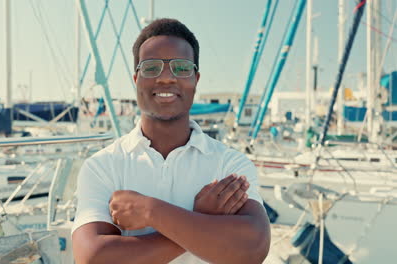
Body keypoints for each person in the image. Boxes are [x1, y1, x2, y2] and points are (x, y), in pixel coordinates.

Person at [72, 18, 270, 264]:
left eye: (181, 67)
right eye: (152, 68)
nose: (166, 78)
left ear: (196, 79)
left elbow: (253, 248)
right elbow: (93, 258)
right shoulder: (103, 165)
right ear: (136, 80)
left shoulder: (230, 164)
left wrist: (150, 211)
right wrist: (200, 220)